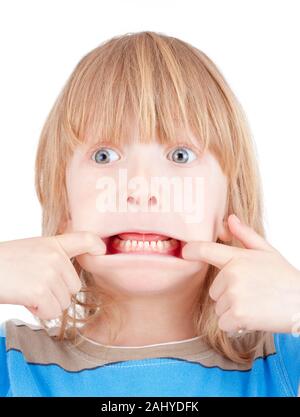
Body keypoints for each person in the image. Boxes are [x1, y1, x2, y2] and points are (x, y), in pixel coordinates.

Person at [0, 31, 299, 397]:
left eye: (180, 156)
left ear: (229, 204)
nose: (140, 189)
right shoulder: (10, 362)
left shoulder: (285, 362)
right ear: (65, 207)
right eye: (104, 156)